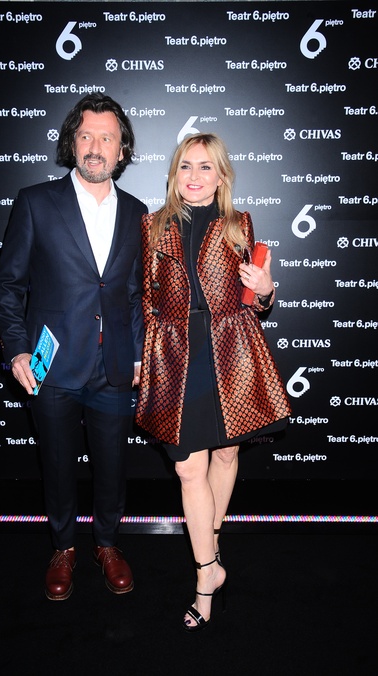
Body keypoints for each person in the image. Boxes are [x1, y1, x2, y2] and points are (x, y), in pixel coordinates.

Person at [0, 93, 147, 600]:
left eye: (107, 137)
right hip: (50, 364)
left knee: (112, 467)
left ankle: (107, 543)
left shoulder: (138, 213)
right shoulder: (36, 202)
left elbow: (133, 294)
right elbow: (8, 286)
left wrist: (138, 352)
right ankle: (63, 547)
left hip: (114, 366)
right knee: (56, 465)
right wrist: (18, 349)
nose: (95, 146)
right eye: (86, 135)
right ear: (72, 143)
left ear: (122, 149)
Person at [135, 133, 291, 631]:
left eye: (206, 167)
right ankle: (208, 571)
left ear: (221, 176)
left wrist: (266, 291)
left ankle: (211, 548)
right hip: (175, 355)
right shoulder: (152, 226)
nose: (195, 176)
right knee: (187, 469)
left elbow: (254, 300)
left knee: (225, 455)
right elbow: (145, 300)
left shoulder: (239, 223)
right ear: (173, 174)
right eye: (186, 166)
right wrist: (144, 358)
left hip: (230, 351)